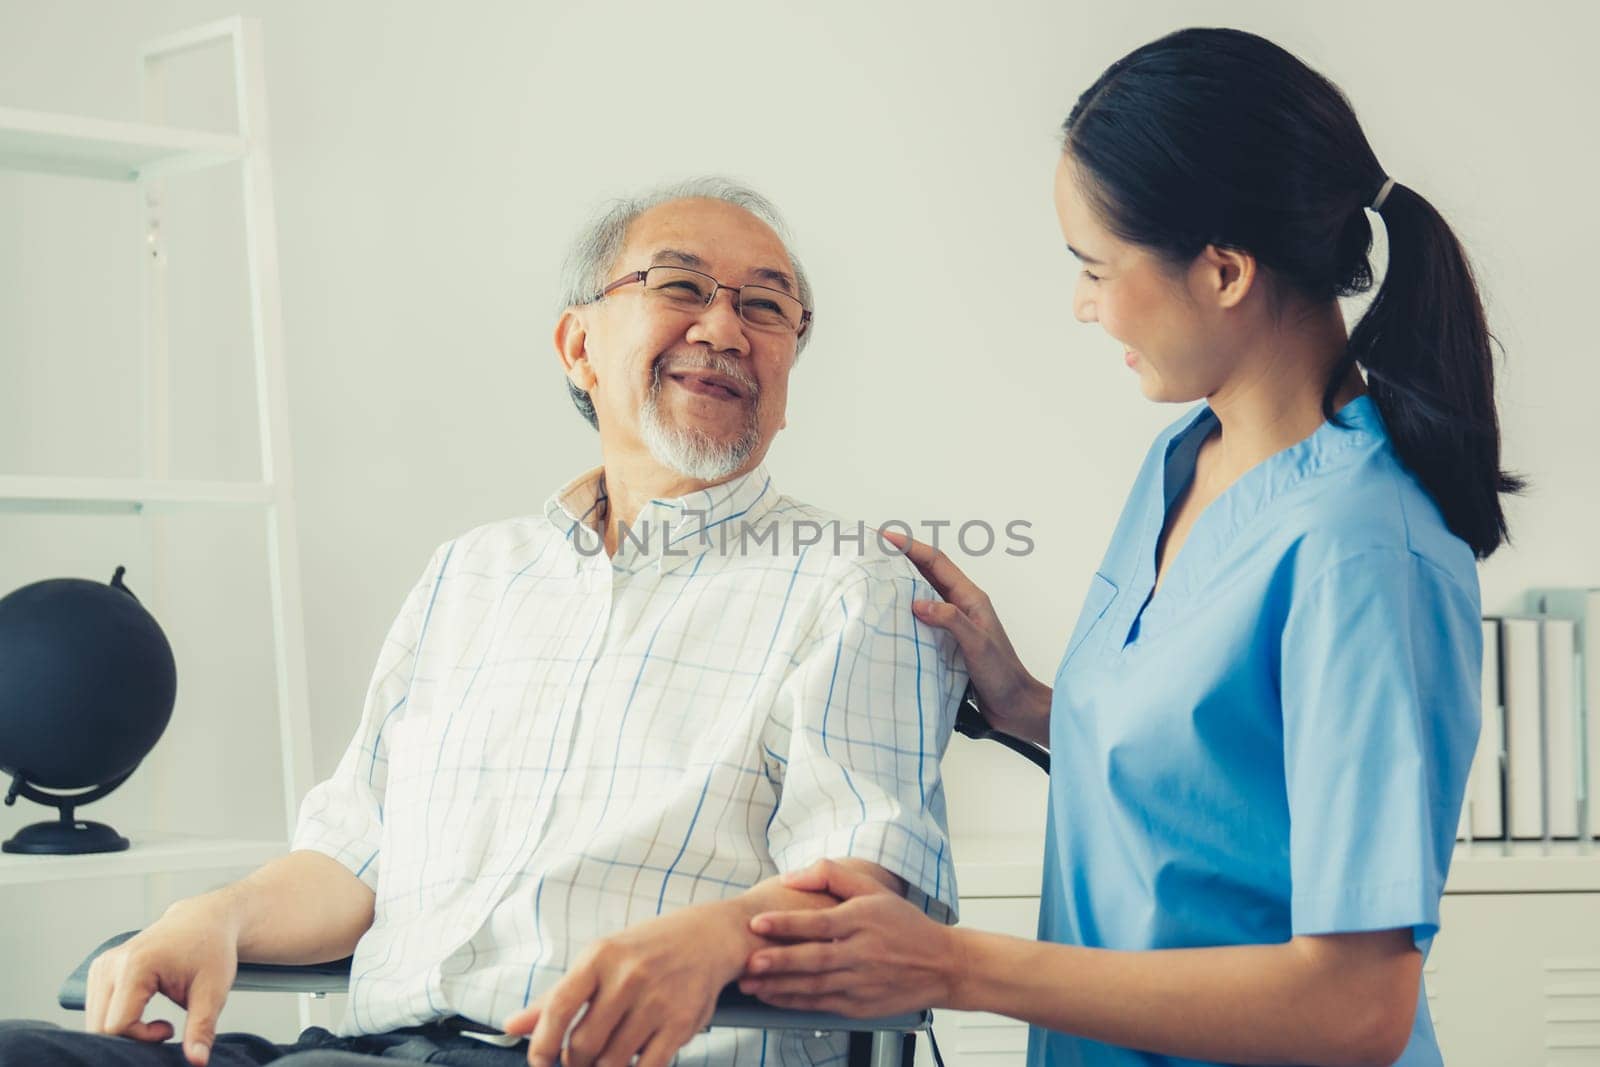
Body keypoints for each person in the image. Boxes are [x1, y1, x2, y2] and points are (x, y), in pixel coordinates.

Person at [0, 178, 964, 1067]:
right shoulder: (472, 572)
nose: (724, 327)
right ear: (578, 347)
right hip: (364, 1049)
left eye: (765, 306)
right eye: (681, 286)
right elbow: (351, 860)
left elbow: (867, 893)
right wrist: (215, 915)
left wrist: (714, 941)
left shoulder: (855, 584)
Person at [734, 28, 1515, 1067]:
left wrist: (951, 965)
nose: (1082, 303)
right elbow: (1221, 788)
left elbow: (1353, 1005)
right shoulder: (1181, 461)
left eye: (1095, 266)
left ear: (1224, 270)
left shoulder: (1363, 549)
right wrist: (1025, 703)